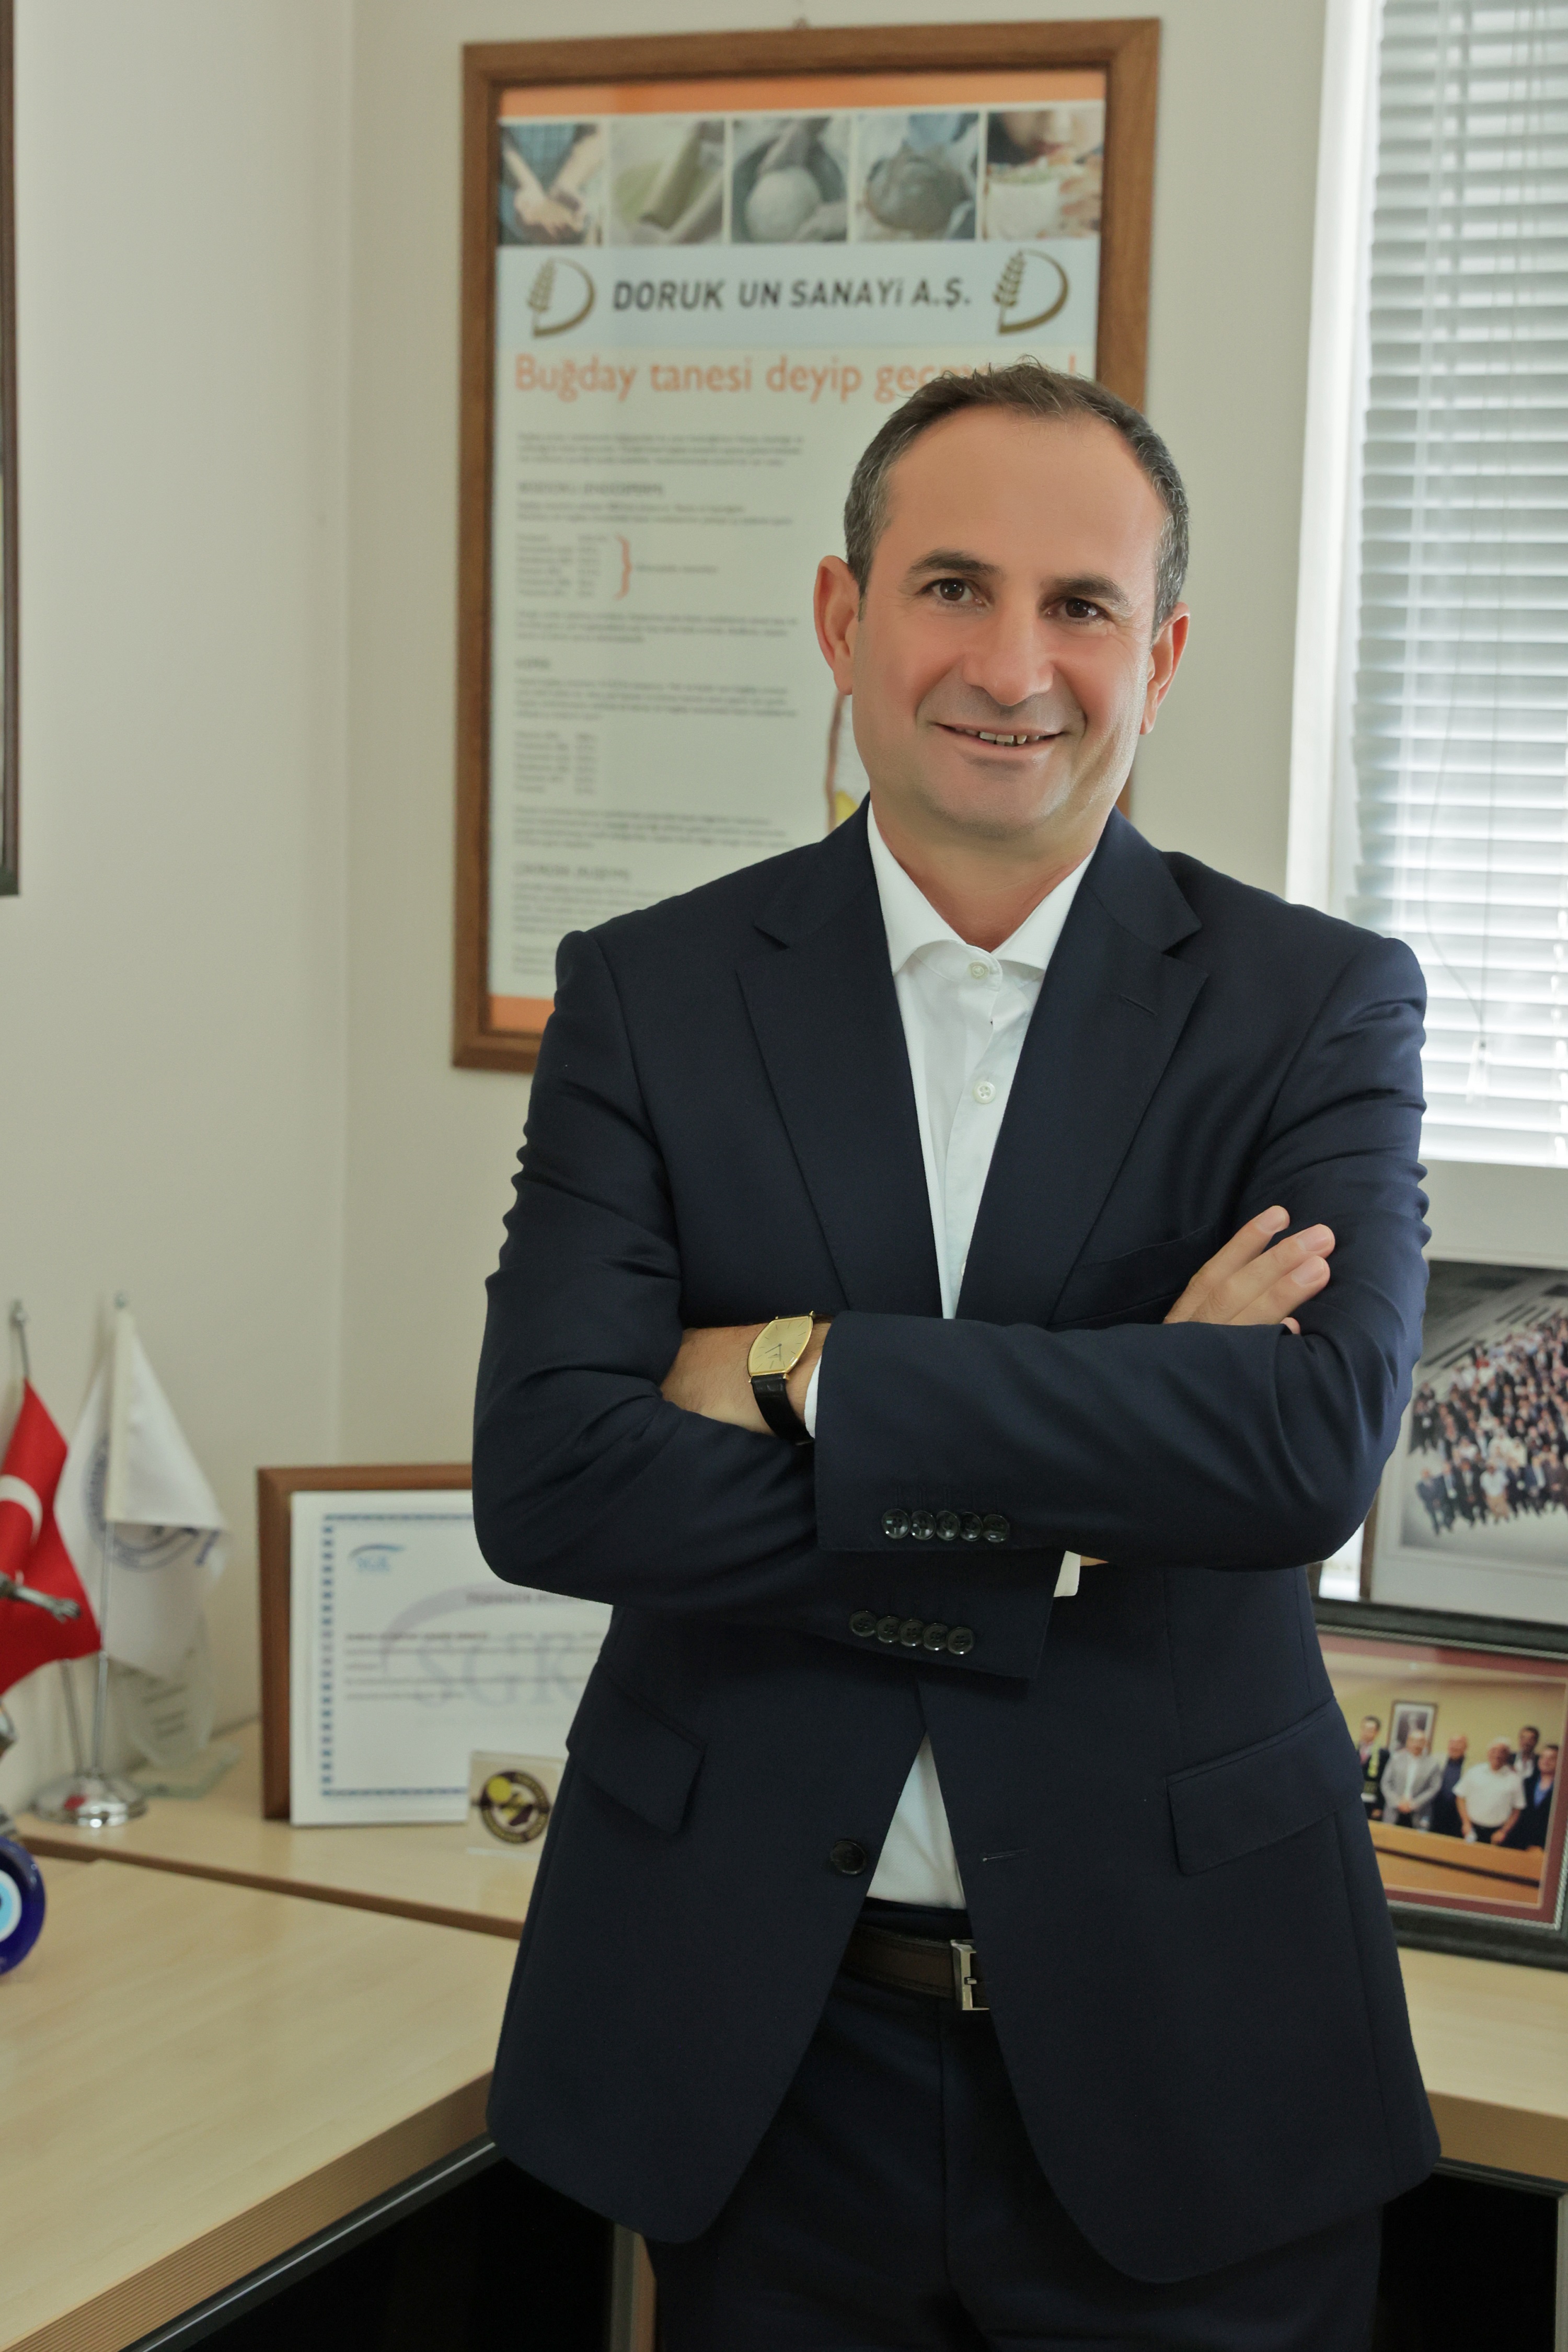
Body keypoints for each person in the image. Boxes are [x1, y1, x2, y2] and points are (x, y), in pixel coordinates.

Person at [475, 361, 1437, 2350]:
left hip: (1194, 2056)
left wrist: (804, 1369)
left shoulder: (1311, 1004)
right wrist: (1100, 1476)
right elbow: (553, 1479)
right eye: (949, 588)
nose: (1012, 666)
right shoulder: (650, 995)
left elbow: (1300, 1455)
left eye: (1080, 605)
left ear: (1160, 654)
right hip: (756, 2056)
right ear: (845, 618)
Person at [1455, 1740, 1527, 1847]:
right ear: (1488, 1753)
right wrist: (1466, 1823)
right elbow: (1460, 1797)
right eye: (1494, 1751)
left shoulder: (1515, 1779)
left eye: (1502, 1752)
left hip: (1497, 1834)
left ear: (1508, 1756)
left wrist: (1503, 1831)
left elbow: (1517, 1809)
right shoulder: (1474, 1771)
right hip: (1470, 1829)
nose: (1497, 1755)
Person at [1380, 1729, 1444, 1830]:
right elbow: (1386, 1783)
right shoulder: (1396, 1759)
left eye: (1420, 1741)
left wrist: (1414, 1804)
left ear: (1425, 1744)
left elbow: (1434, 1788)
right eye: (1413, 1741)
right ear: (1408, 1742)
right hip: (1394, 1811)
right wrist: (1398, 1802)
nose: (1416, 1745)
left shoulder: (1433, 1764)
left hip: (1419, 1813)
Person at [1510, 1744, 1558, 1849]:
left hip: (1547, 1844)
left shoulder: (1562, 1790)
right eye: (1543, 1757)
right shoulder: (1526, 1783)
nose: (1546, 1761)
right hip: (1520, 1841)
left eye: (1552, 1758)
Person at [1429, 1734, 1469, 1838]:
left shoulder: (1471, 1766)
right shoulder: (1437, 1759)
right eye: (1452, 1743)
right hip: (1435, 1811)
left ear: (1466, 1747)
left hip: (1457, 1815)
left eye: (1459, 1744)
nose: (1455, 1747)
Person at [1357, 1714, 1389, 1818]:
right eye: (1364, 1729)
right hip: (1353, 1798)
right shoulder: (1352, 1749)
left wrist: (1379, 1806)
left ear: (1377, 1732)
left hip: (1371, 1801)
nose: (1366, 1733)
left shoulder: (1383, 1754)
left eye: (1370, 1730)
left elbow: (1384, 1781)